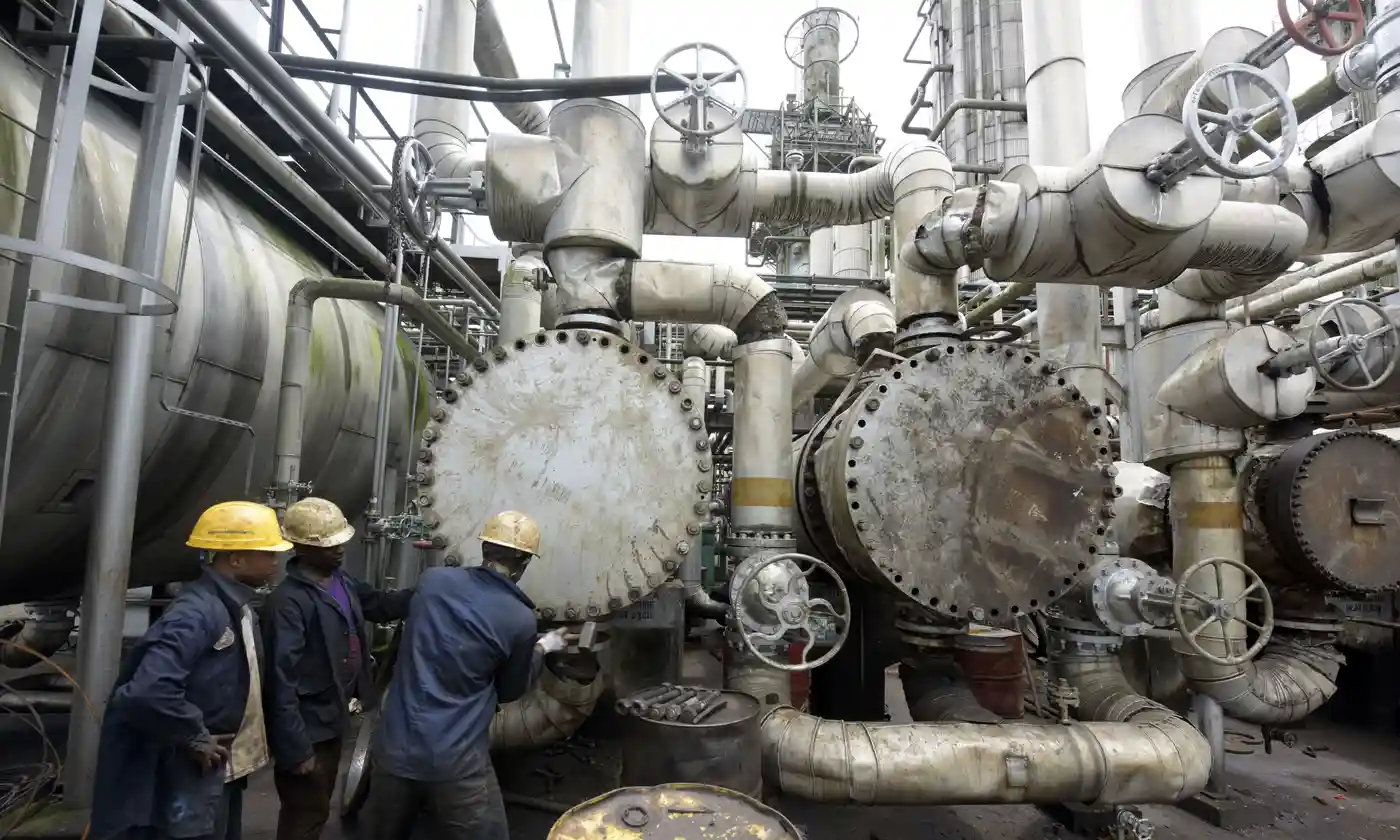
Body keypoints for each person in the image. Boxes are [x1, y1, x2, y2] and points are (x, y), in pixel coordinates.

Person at [90, 501, 290, 840]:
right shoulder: (195, 614)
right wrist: (194, 736)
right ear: (236, 559)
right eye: (268, 553)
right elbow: (147, 690)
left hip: (216, 770)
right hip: (187, 772)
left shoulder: (236, 606)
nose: (275, 561)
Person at [364, 510, 568, 840]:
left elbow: (390, 608)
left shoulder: (432, 582)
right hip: (456, 764)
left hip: (394, 751)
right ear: (524, 562)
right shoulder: (519, 619)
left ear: (484, 548)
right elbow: (510, 690)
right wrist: (542, 648)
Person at [263, 496, 413, 840]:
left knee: (317, 806)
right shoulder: (287, 603)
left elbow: (380, 604)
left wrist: (429, 589)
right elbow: (280, 683)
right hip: (308, 728)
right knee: (305, 814)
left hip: (331, 719)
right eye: (330, 544)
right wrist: (295, 749)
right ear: (302, 548)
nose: (340, 549)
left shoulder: (341, 582)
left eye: (341, 541)